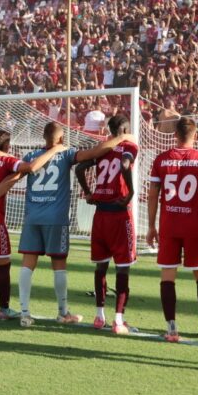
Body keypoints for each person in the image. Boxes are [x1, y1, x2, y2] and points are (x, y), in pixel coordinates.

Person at [14, 123, 135, 328]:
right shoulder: (66, 153)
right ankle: (63, 313)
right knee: (59, 264)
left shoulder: (30, 156)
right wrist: (123, 138)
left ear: (44, 138)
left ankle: (24, 313)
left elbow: (16, 174)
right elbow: (96, 152)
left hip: (32, 216)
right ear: (61, 139)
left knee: (27, 263)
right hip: (56, 218)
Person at [0, 130, 65, 321]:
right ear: (7, 147)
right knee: (3, 263)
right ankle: (4, 309)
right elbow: (31, 167)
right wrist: (54, 150)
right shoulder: (8, 161)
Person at [146, 117, 198, 342]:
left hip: (169, 225)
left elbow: (152, 195)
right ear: (195, 136)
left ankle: (171, 329)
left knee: (168, 274)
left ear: (175, 135)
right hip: (194, 227)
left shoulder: (161, 159)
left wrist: (150, 225)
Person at [75, 114, 139, 334]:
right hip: (120, 214)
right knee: (123, 268)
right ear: (123, 130)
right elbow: (124, 165)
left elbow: (79, 168)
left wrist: (87, 192)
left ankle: (99, 316)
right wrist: (130, 192)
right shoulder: (128, 146)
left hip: (100, 215)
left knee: (101, 267)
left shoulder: (102, 149)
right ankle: (118, 320)